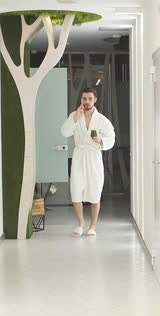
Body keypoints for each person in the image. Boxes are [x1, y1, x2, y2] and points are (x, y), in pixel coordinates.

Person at [61, 88, 115, 238]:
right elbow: (64, 132)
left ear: (95, 100)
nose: (86, 101)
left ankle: (92, 226)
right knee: (76, 190)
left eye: (90, 99)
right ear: (81, 100)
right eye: (84, 98)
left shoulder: (101, 119)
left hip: (93, 156)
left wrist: (101, 141)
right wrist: (75, 118)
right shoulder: (75, 115)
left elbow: (111, 136)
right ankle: (80, 224)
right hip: (79, 157)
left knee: (95, 191)